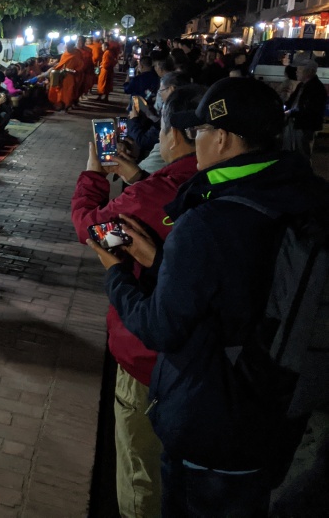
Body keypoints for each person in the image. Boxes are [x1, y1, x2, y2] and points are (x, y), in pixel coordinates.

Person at [88, 77, 329, 516]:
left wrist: (117, 272)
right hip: (278, 404)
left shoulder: (210, 219)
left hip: (212, 418)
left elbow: (160, 326)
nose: (193, 140)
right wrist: (161, 260)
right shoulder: (301, 193)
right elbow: (241, 289)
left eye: (198, 132)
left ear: (221, 137)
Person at [72, 86, 204, 518]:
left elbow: (95, 230)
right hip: (211, 364)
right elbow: (164, 210)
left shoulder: (156, 193)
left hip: (151, 356)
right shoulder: (213, 181)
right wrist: (133, 177)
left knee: (141, 472)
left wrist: (94, 175)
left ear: (178, 135)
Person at [284, 59, 327, 162]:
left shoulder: (317, 88)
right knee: (291, 151)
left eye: (299, 70)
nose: (296, 72)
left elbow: (309, 109)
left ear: (309, 72)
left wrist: (291, 112)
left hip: (304, 125)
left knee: (301, 152)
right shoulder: (302, 85)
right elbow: (291, 102)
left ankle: (302, 173)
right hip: (295, 122)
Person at [47, 41, 83, 111]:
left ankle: (68, 104)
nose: (68, 48)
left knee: (70, 90)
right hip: (63, 75)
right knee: (61, 91)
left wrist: (76, 71)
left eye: (70, 47)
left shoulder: (77, 54)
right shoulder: (65, 54)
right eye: (67, 47)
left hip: (72, 76)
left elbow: (81, 65)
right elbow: (61, 64)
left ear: (73, 47)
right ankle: (62, 104)